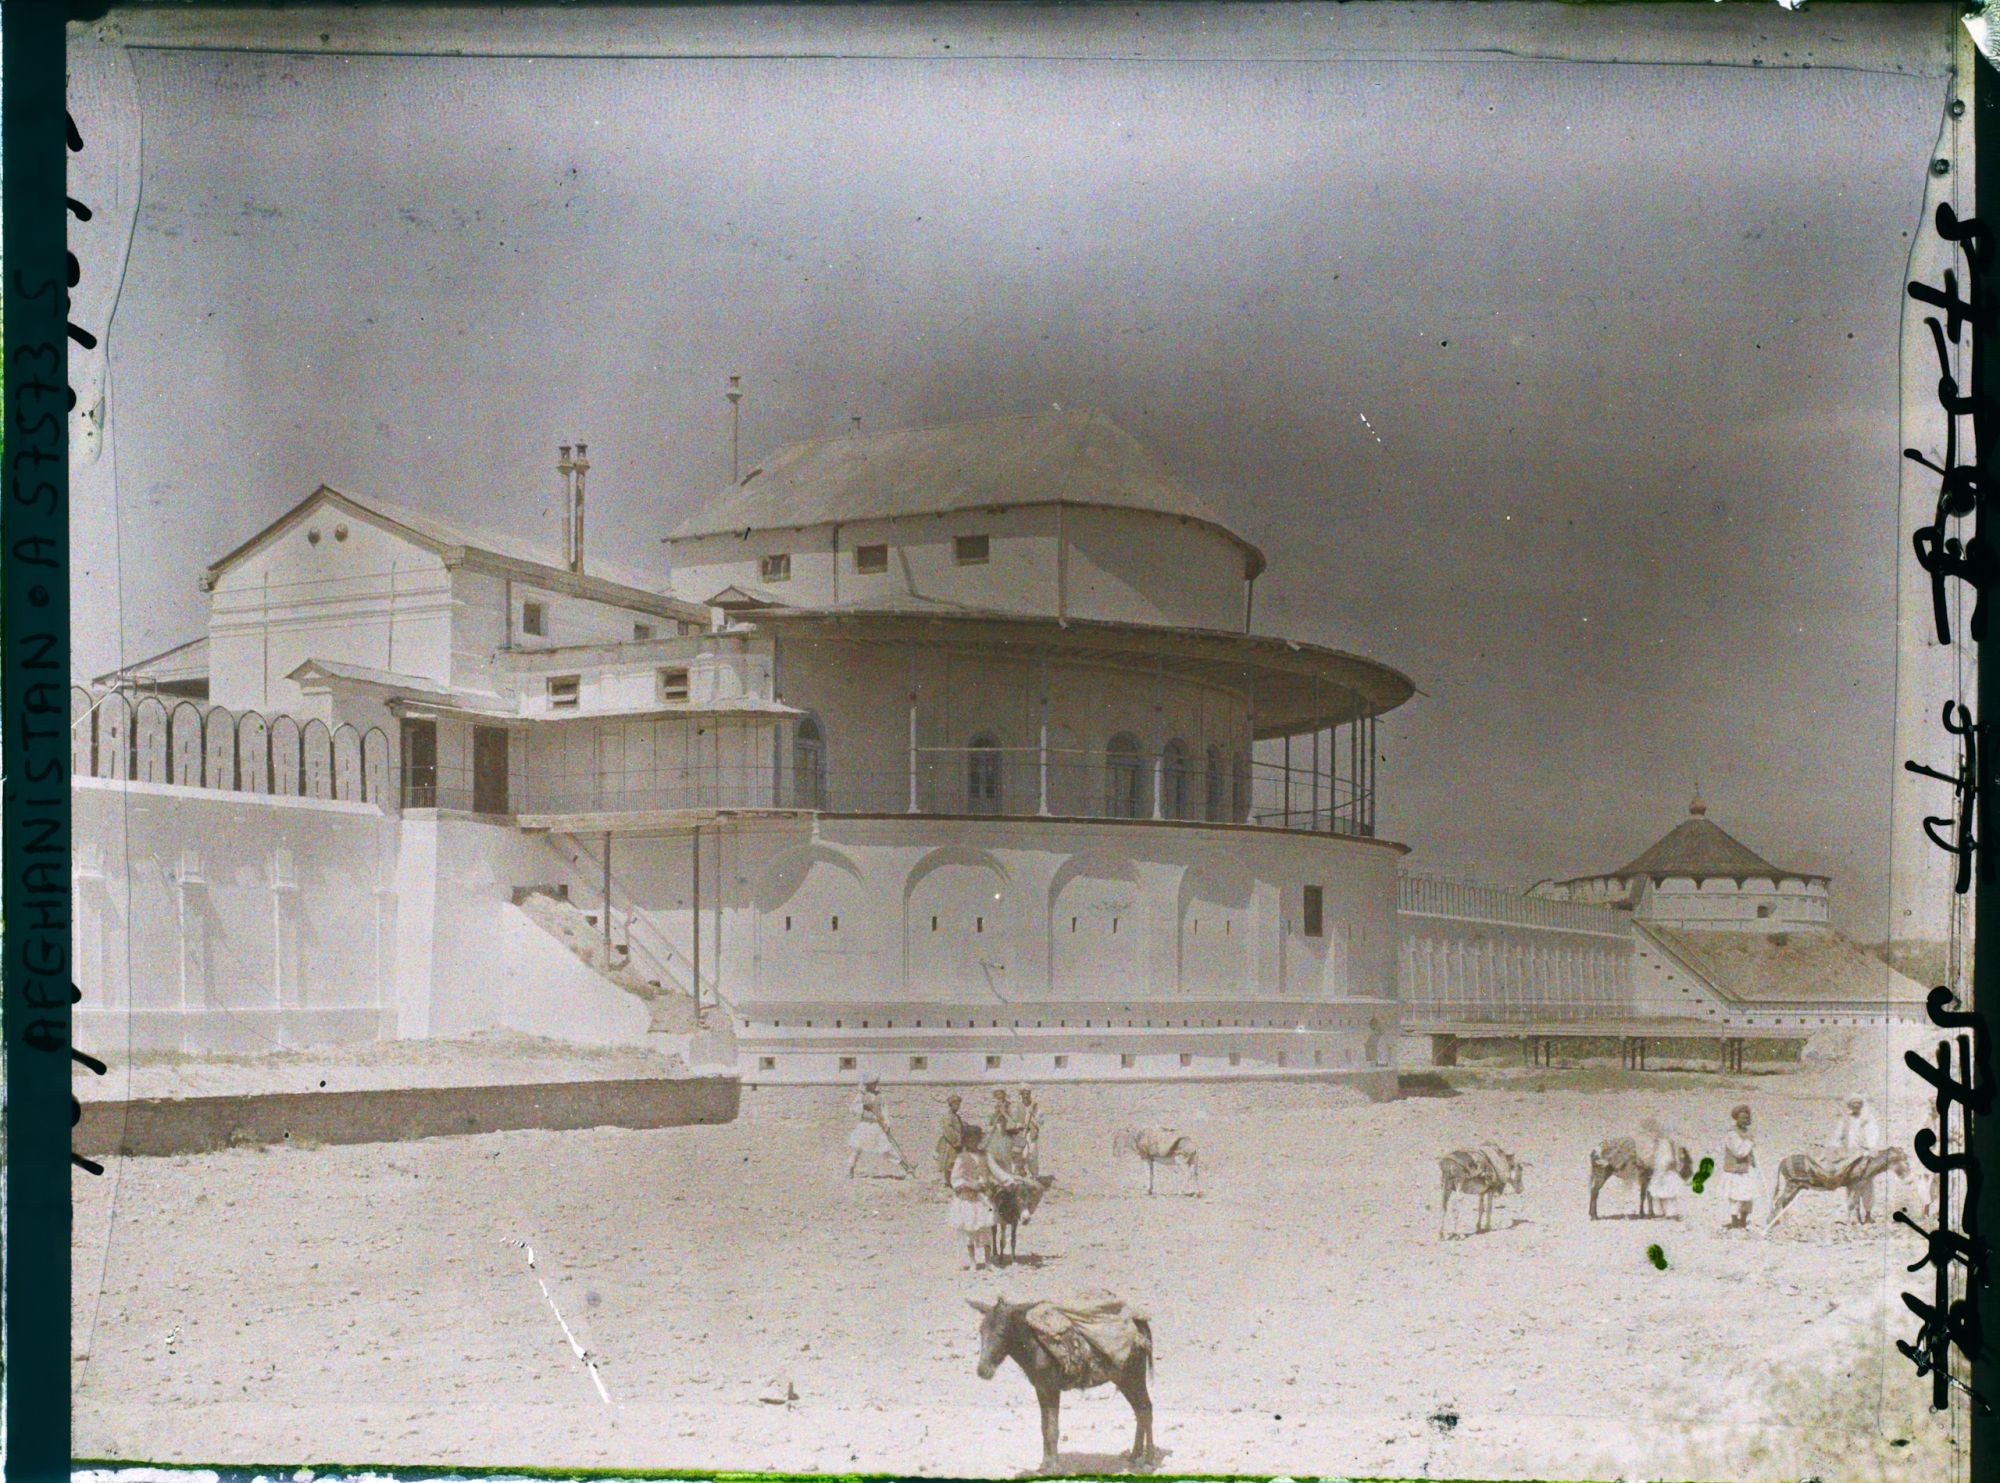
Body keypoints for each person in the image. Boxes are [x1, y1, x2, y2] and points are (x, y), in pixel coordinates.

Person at [948, 1125, 999, 1270]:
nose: (973, 1143)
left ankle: (988, 1262)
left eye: (976, 1139)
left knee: (986, 1229)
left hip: (983, 1198)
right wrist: (969, 1185)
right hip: (968, 1198)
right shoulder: (961, 1158)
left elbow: (994, 1172)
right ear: (965, 1141)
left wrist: (996, 1181)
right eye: (970, 1140)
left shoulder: (984, 1156)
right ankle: (972, 1262)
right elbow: (955, 1179)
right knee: (970, 1229)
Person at [847, 1076, 917, 1179]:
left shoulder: (880, 1096)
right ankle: (850, 1170)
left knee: (887, 1148)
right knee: (856, 1148)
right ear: (867, 1085)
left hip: (877, 1125)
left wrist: (887, 1123)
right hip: (864, 1125)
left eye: (875, 1083)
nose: (874, 1086)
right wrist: (862, 1106)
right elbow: (852, 1109)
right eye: (871, 1084)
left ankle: (907, 1169)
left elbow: (884, 1111)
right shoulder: (861, 1096)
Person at [1830, 1092, 1884, 1221]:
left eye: (1858, 1104)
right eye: (1853, 1104)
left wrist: (1868, 1148)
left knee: (1867, 1183)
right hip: (1849, 1156)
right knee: (1850, 1183)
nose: (1855, 1106)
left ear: (1861, 1105)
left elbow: (1874, 1135)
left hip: (1865, 1155)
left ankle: (1868, 1213)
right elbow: (1837, 1136)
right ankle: (1853, 1213)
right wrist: (1837, 1149)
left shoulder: (1868, 1119)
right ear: (1850, 1105)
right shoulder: (1845, 1119)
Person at [1721, 1104, 1757, 1229]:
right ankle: (1735, 1222)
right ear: (1736, 1118)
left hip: (1746, 1171)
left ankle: (1743, 1221)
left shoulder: (1747, 1133)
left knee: (1747, 1197)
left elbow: (1750, 1153)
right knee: (1736, 1197)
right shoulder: (1731, 1134)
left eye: (1746, 1118)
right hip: (1735, 1171)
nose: (1745, 1120)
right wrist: (1750, 1142)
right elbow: (1739, 1151)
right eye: (1742, 1118)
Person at [1643, 1117, 1685, 1220]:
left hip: (1664, 1170)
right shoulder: (1665, 1143)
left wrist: (1662, 1170)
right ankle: (1668, 1213)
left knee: (1666, 1192)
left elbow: (1667, 1158)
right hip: (1664, 1169)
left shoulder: (1664, 1143)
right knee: (1664, 1192)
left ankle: (1668, 1213)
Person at [935, 1093, 974, 1186]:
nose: (957, 1106)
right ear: (950, 1105)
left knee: (956, 1162)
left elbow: (961, 1127)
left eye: (958, 1104)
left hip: (958, 1143)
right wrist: (956, 1140)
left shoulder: (957, 1117)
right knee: (949, 1162)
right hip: (950, 1143)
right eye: (955, 1104)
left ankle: (954, 1181)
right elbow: (947, 1129)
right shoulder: (947, 1117)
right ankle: (948, 1181)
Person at [1016, 1086, 1044, 1176]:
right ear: (1021, 1095)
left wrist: (1034, 1116)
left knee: (1032, 1154)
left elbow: (1041, 1121)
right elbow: (1015, 1120)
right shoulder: (1019, 1106)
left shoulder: (1035, 1106)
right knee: (1023, 1154)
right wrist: (1020, 1125)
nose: (1026, 1096)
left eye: (1028, 1094)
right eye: (1024, 1094)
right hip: (1022, 1133)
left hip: (1031, 1133)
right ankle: (1023, 1174)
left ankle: (1034, 1175)